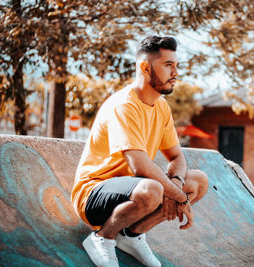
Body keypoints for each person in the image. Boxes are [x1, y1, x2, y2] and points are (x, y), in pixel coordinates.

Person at [71, 36, 209, 267]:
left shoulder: (161, 107)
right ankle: (102, 238)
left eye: (176, 65)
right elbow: (140, 166)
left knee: (198, 181)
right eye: (168, 65)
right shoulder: (124, 105)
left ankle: (132, 235)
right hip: (93, 194)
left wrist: (177, 184)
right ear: (145, 67)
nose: (176, 72)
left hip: (132, 190)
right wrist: (179, 197)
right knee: (152, 189)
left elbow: (177, 158)